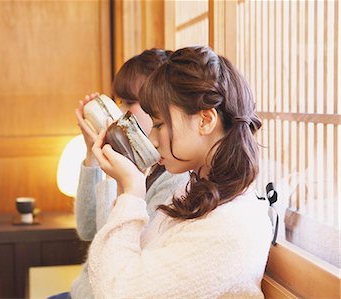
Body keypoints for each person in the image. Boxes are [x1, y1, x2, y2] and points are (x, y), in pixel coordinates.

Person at [87, 46, 272, 298]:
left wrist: (131, 190)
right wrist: (125, 186)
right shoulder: (194, 189)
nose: (152, 139)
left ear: (205, 120)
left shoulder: (230, 226)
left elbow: (117, 292)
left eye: (160, 124)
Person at [67, 49, 189, 299]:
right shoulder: (138, 162)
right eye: (118, 102)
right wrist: (92, 152)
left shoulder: (175, 177)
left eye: (129, 103)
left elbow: (111, 247)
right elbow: (86, 228)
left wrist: (119, 177)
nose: (120, 112)